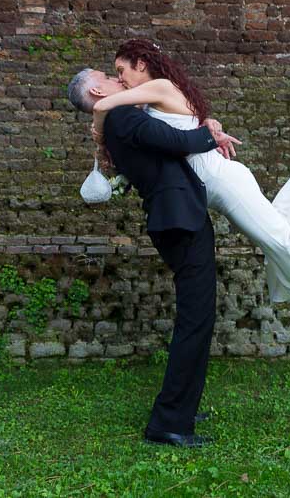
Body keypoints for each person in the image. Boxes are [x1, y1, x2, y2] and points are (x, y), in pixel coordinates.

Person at [91, 39, 290, 315]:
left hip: (225, 182)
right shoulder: (150, 99)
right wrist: (210, 127)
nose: (120, 79)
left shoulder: (160, 87)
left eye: (121, 70)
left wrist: (98, 135)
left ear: (141, 64)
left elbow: (101, 106)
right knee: (279, 237)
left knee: (285, 243)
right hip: (212, 184)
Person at [68, 67, 238, 448]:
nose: (120, 81)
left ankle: (183, 410)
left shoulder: (117, 120)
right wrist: (207, 134)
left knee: (200, 319)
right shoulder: (123, 117)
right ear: (97, 90)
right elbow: (175, 141)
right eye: (109, 77)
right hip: (179, 221)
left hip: (177, 218)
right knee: (195, 321)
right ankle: (168, 424)